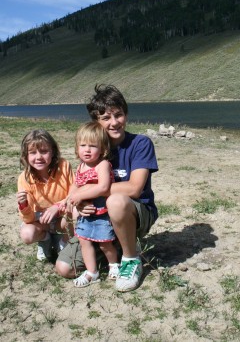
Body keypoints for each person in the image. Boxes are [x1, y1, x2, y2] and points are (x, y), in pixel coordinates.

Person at [56, 84, 159, 292]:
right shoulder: (93, 150)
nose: (114, 123)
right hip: (97, 217)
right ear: (96, 122)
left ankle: (130, 259)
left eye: (119, 115)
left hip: (135, 212)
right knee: (65, 268)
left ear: (126, 114)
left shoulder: (140, 144)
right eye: (106, 118)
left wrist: (87, 192)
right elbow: (78, 185)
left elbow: (135, 188)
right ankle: (111, 248)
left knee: (117, 200)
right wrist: (82, 202)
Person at [68, 121, 119, 287]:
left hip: (101, 211)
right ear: (77, 148)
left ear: (103, 149)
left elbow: (103, 187)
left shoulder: (102, 165)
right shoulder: (81, 166)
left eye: (92, 145)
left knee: (105, 242)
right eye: (83, 145)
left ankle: (113, 265)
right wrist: (71, 197)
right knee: (84, 242)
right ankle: (92, 272)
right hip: (85, 214)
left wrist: (80, 195)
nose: (87, 150)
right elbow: (75, 185)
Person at [17, 129, 74, 261]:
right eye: (32, 153)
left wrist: (57, 207)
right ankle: (45, 238)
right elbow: (29, 219)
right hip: (41, 220)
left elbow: (74, 193)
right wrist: (23, 204)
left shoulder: (63, 166)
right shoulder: (24, 178)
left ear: (53, 151)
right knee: (27, 234)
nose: (38, 157)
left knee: (77, 212)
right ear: (25, 156)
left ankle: (63, 240)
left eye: (44, 151)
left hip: (62, 215)